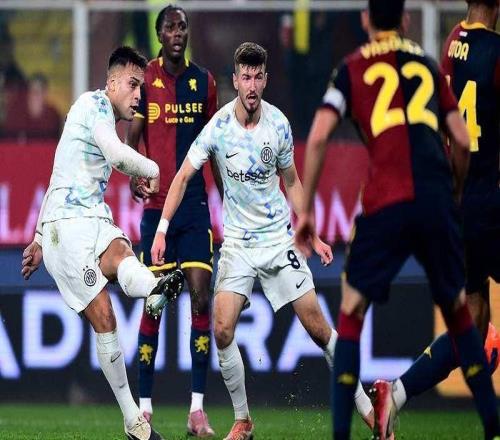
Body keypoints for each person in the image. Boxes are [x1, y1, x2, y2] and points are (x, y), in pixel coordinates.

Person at [295, 0, 500, 439]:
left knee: (352, 315)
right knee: (463, 320)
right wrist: (454, 191)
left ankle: (345, 431)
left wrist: (306, 210)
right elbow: (461, 139)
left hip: (387, 201)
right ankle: (493, 426)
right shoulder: (425, 63)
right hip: (446, 199)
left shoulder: (358, 66)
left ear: (365, 19)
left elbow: (319, 136)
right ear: (406, 20)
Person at [150, 41, 375, 440]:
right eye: (245, 77)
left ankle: (369, 409)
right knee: (221, 329)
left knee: (318, 328)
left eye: (257, 77)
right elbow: (183, 177)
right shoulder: (218, 127)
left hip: (277, 242)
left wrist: (311, 232)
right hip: (237, 245)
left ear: (265, 80)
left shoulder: (278, 125)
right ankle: (243, 420)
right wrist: (162, 228)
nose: (251, 86)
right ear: (235, 81)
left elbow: (292, 181)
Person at [20, 46, 185, 440]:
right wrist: (152, 168)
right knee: (105, 315)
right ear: (111, 83)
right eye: (132, 85)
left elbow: (58, 173)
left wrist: (37, 237)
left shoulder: (97, 115)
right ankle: (134, 422)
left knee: (122, 253)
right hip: (66, 229)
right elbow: (116, 154)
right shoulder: (93, 104)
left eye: (142, 88)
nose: (138, 95)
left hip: (91, 217)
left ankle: (154, 289)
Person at [367, 0, 500, 436]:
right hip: (488, 198)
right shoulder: (495, 52)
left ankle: (395, 395)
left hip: (456, 200)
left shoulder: (453, 41)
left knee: (473, 322)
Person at [126, 5, 218, 437]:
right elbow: (132, 138)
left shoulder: (205, 82)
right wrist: (134, 175)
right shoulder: (146, 80)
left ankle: (196, 411)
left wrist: (226, 198)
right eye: (170, 27)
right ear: (159, 34)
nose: (177, 33)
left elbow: (215, 146)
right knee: (155, 303)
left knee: (201, 299)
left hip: (195, 206)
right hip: (155, 208)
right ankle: (144, 409)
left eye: (182, 26)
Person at [3, 72, 62, 140]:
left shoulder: (53, 116)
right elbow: (8, 142)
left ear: (45, 93)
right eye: (32, 91)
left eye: (39, 91)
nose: (35, 95)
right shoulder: (15, 114)